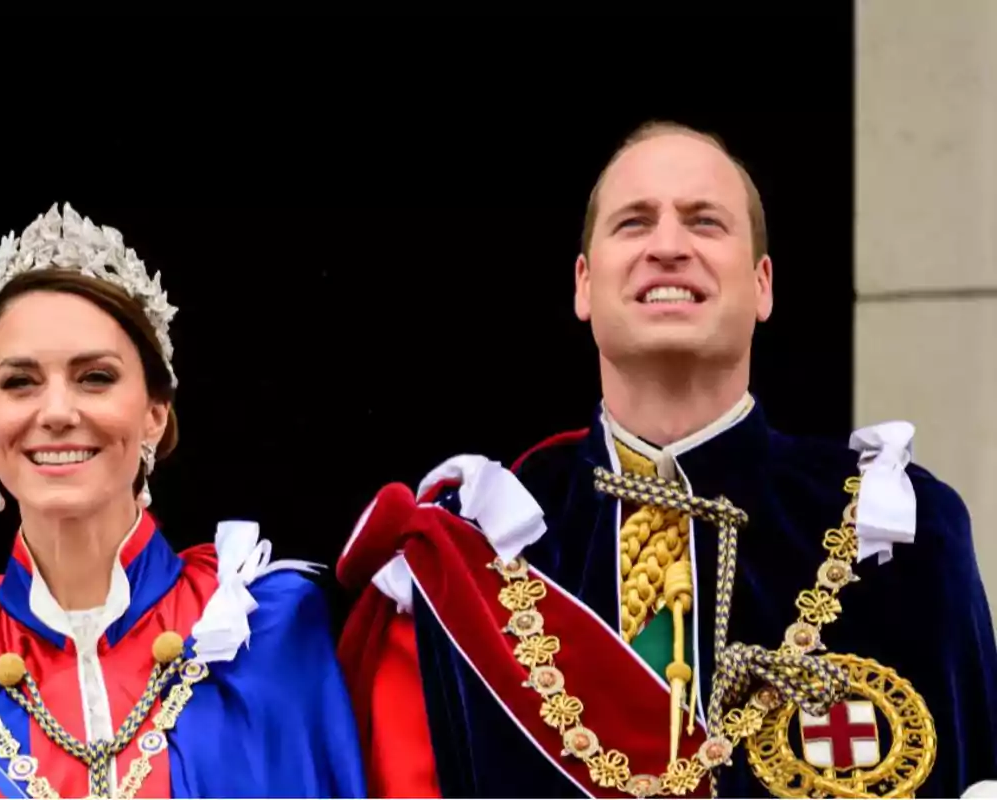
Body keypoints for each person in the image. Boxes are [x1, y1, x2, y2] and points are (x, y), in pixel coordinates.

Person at [335, 122, 997, 798]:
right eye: (634, 223)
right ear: (584, 285)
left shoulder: (899, 531)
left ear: (762, 284)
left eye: (705, 222)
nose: (670, 247)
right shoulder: (470, 552)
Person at [0, 203, 365, 798]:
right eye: (21, 381)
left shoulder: (264, 631)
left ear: (154, 413)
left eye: (95, 377)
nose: (58, 412)